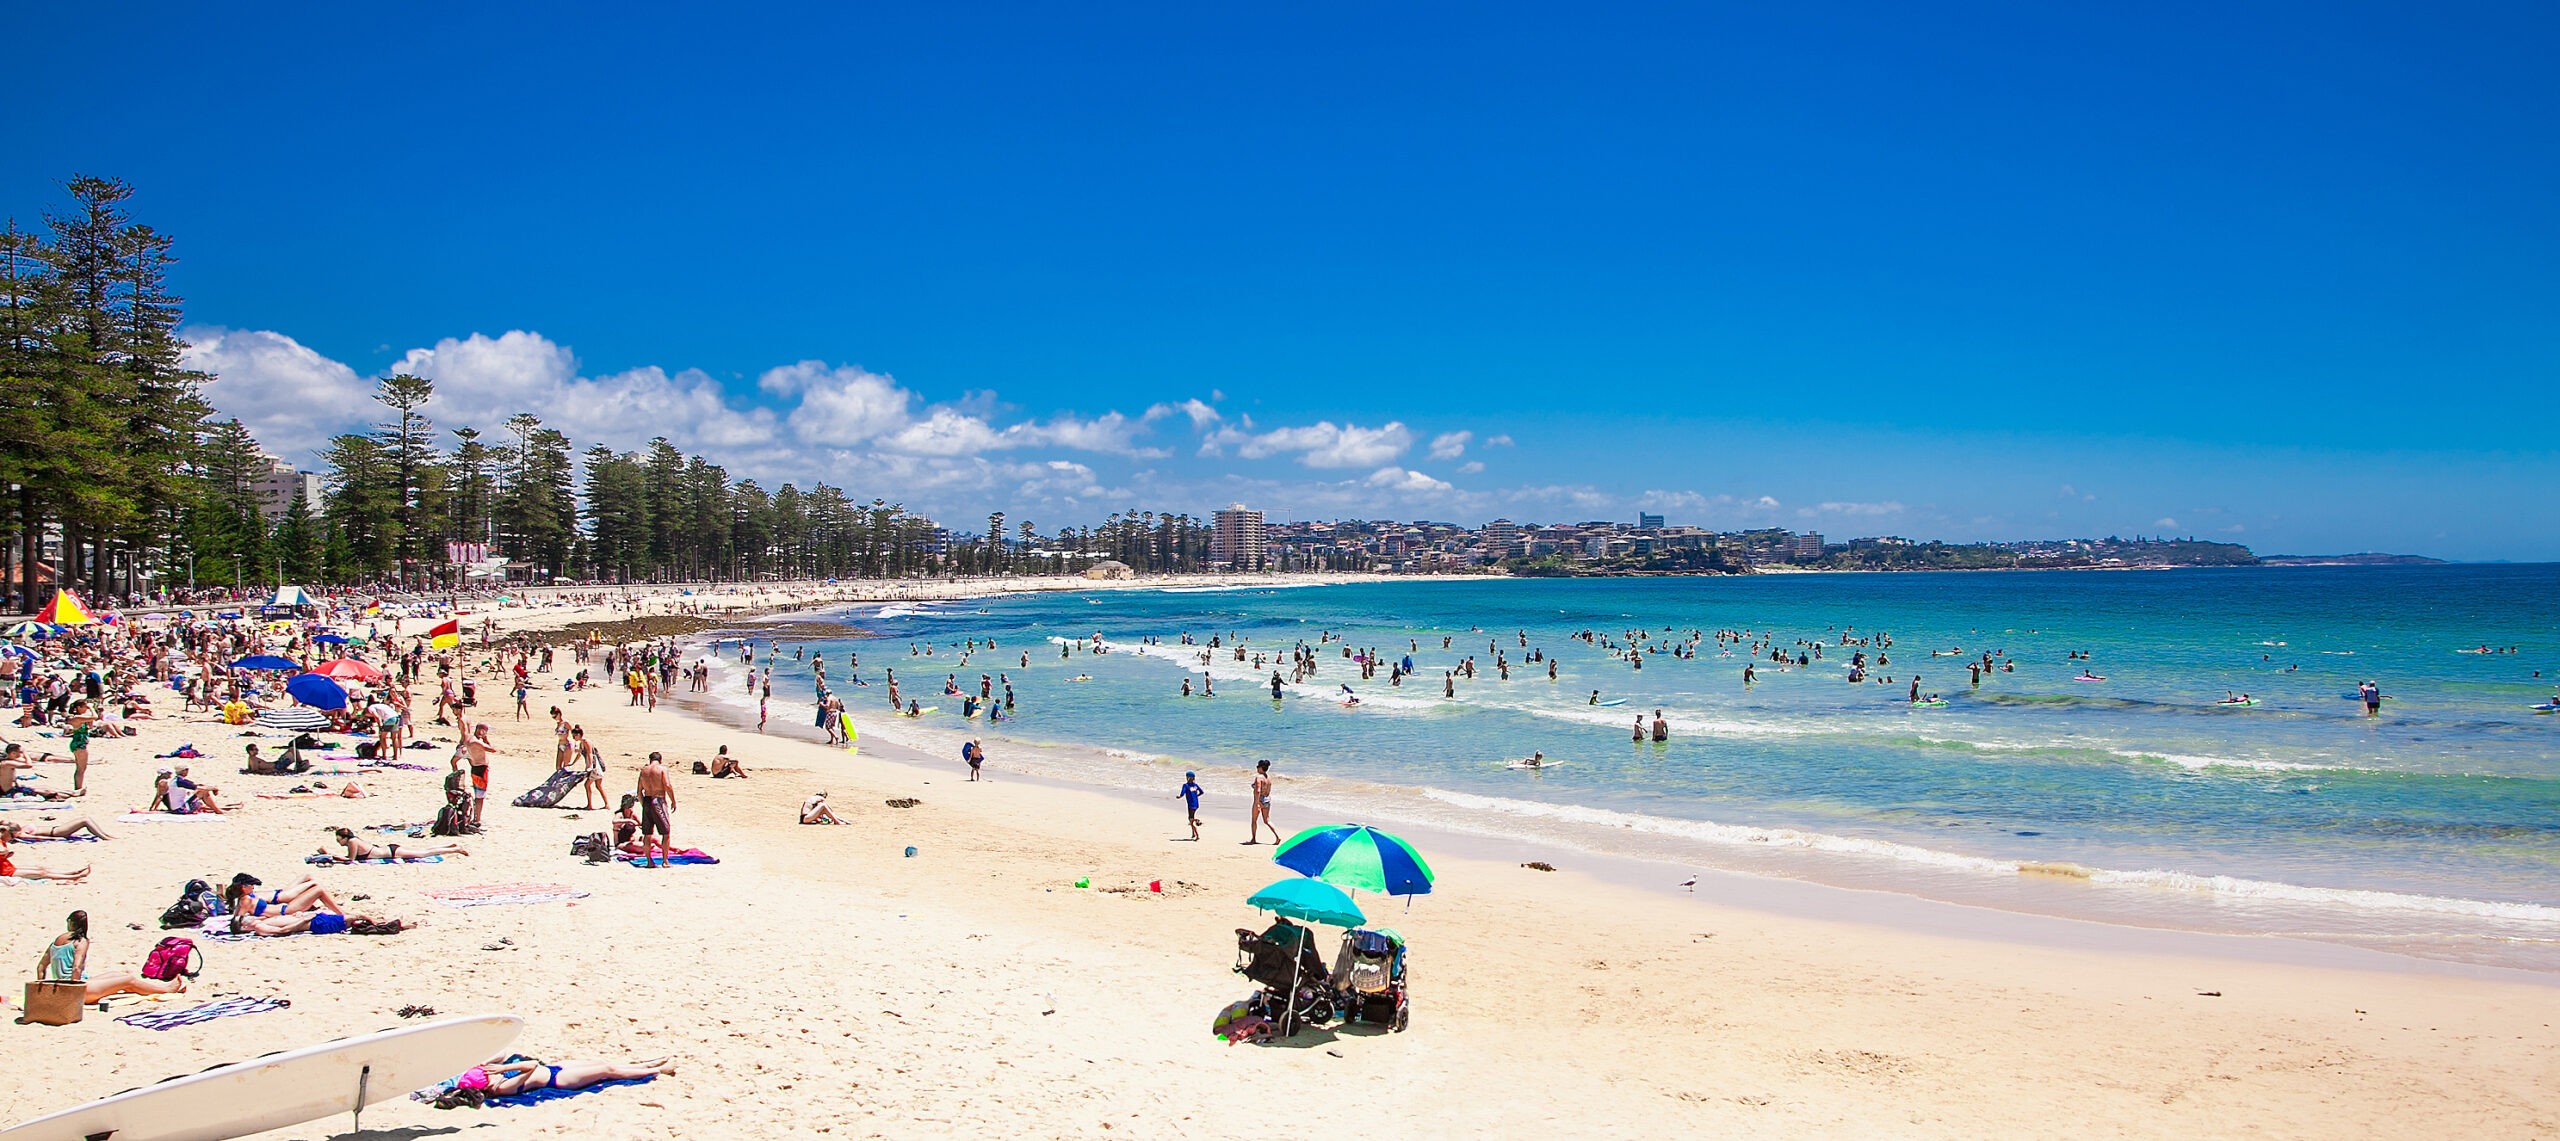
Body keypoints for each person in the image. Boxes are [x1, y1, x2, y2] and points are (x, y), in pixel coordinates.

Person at [37, 911, 184, 1002]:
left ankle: (155, 987)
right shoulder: (80, 941)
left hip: (62, 986)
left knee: (117, 974)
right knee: (128, 980)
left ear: (70, 923)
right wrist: (73, 993)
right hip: (77, 989)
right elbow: (76, 967)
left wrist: (41, 988)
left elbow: (41, 966)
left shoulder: (57, 940)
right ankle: (165, 990)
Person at [432, 1055, 677, 1107]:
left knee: (603, 1063)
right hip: (559, 1079)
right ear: (485, 1083)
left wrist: (488, 1064)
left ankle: (647, 1063)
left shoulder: (494, 1081)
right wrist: (505, 1068)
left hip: (554, 1069)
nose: (492, 1072)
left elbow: (503, 1051)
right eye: (487, 1074)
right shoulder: (502, 1087)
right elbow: (531, 1066)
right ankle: (657, 1071)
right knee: (607, 1070)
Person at [322, 826, 468, 862]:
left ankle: (456, 849)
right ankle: (450, 847)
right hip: (389, 849)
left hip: (392, 852)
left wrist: (333, 856)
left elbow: (351, 860)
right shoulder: (354, 841)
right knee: (423, 850)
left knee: (423, 853)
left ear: (344, 838)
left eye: (338, 839)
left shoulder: (353, 842)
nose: (338, 842)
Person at [634, 752, 676, 867]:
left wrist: (643, 804)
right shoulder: (662, 769)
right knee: (666, 833)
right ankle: (665, 861)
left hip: (647, 800)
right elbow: (667, 785)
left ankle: (649, 862)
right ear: (660, 760)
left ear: (650, 760)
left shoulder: (644, 771)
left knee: (647, 834)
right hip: (658, 800)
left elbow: (639, 792)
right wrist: (673, 800)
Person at [0, 744, 76, 801]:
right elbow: (29, 765)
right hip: (9, 791)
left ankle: (72, 792)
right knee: (47, 791)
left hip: (15, 788)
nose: (21, 755)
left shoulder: (9, 761)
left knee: (45, 788)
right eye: (19, 752)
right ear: (13, 753)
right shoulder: (7, 763)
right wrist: (25, 753)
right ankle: (71, 794)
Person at [572, 725, 607, 810]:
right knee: (598, 786)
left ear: (579, 735)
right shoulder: (582, 743)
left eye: (574, 735)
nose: (573, 737)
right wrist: (572, 763)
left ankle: (590, 805)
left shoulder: (586, 742)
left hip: (595, 766)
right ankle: (606, 804)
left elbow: (590, 754)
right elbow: (579, 754)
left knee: (587, 785)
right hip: (594, 766)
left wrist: (589, 766)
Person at [1246, 759, 1280, 845]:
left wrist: (1257, 803)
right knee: (1267, 820)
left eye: (1258, 766)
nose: (1257, 768)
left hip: (1259, 799)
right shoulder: (1268, 777)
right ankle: (1277, 837)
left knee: (1254, 820)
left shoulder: (1259, 777)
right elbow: (1268, 790)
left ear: (1261, 768)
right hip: (1267, 799)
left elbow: (1258, 791)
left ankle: (1253, 839)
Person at [1, 816, 111, 841]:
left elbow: (3, 822)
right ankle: (104, 837)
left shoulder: (19, 829)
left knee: (86, 820)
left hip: (56, 829)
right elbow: (38, 838)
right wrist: (55, 839)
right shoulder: (21, 834)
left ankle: (105, 835)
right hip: (57, 832)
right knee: (85, 820)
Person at [1175, 772, 1203, 840]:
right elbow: (1202, 792)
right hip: (1196, 804)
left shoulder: (1186, 785)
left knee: (1191, 820)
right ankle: (1193, 834)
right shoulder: (1195, 785)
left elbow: (1182, 793)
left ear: (1188, 777)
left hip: (1190, 805)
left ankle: (1197, 835)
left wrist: (1179, 797)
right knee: (1191, 818)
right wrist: (1196, 796)